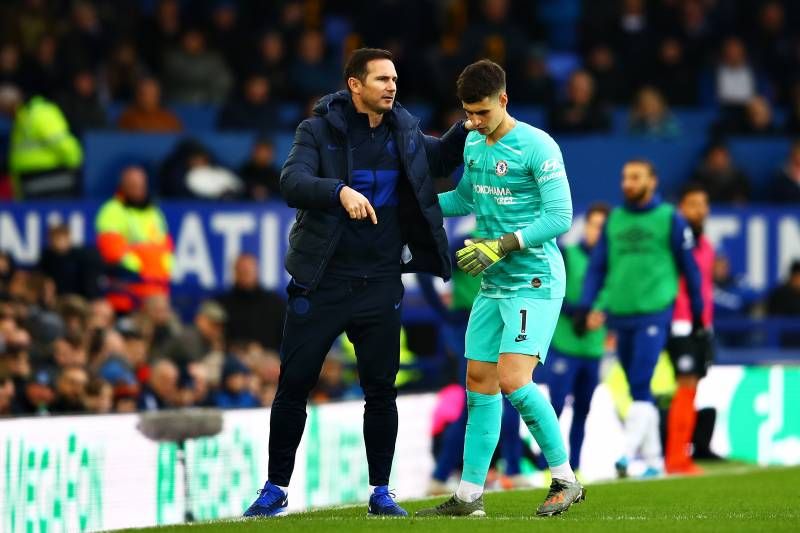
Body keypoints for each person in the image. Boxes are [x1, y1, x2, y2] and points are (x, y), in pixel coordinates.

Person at [244, 48, 470, 519]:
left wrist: (467, 124)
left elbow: (444, 161)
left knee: (380, 391)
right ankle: (275, 487)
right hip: (322, 281)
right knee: (294, 387)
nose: (391, 86)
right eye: (382, 79)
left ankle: (381, 492)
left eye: (394, 78)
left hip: (380, 283)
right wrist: (338, 191)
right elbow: (292, 182)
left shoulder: (404, 131)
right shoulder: (317, 130)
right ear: (354, 84)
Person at [417, 59, 580, 518]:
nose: (473, 122)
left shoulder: (537, 146)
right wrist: (414, 207)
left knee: (513, 379)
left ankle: (565, 478)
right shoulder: (471, 141)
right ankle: (469, 496)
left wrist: (502, 245)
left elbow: (560, 217)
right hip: (494, 282)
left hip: (535, 279)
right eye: (468, 113)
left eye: (482, 113)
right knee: (479, 383)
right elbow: (465, 198)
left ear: (503, 100)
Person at [576, 159, 705, 479]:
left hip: (655, 311)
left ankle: (625, 455)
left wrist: (699, 313)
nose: (627, 183)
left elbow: (690, 269)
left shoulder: (670, 219)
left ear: (653, 181)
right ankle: (652, 459)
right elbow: (596, 269)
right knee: (638, 389)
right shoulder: (615, 220)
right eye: (624, 177)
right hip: (621, 314)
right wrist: (585, 305)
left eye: (635, 177)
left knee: (641, 377)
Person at [546, 203, 609, 473]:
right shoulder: (568, 256)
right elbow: (552, 294)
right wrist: (582, 315)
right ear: (586, 227)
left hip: (593, 349)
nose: (599, 231)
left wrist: (604, 314)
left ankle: (576, 466)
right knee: (556, 407)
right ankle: (549, 464)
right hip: (565, 346)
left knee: (583, 409)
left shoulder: (611, 264)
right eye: (595, 225)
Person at [665, 184, 715, 474]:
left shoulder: (705, 245)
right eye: (693, 203)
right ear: (681, 208)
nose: (700, 210)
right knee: (685, 386)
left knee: (691, 388)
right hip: (680, 321)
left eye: (704, 204)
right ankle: (675, 458)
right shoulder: (676, 241)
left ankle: (682, 455)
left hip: (700, 323)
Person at [95, 166, 174, 313]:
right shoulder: (112, 211)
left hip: (158, 291)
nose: (138, 190)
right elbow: (112, 252)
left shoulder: (154, 212)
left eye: (141, 185)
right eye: (133, 186)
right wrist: (142, 269)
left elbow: (166, 248)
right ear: (123, 186)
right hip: (128, 294)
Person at [1, 84, 83, 198]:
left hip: (53, 185)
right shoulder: (20, 119)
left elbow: (65, 145)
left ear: (13, 101)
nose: (3, 112)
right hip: (29, 187)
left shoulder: (41, 113)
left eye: (3, 106)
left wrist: (76, 171)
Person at [216, 254, 286, 352]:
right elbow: (216, 338)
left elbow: (286, 338)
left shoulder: (276, 303)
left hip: (270, 359)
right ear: (235, 272)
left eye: (248, 271)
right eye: (242, 271)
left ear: (257, 271)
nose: (245, 274)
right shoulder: (221, 304)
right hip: (233, 359)